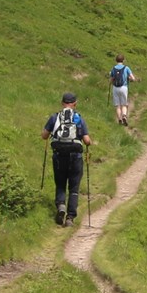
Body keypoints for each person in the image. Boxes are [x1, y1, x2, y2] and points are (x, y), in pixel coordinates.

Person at [41, 92, 94, 227]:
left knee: (60, 183)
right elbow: (87, 140)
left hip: (59, 155)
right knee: (74, 188)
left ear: (62, 103)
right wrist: (89, 142)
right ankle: (70, 217)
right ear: (75, 104)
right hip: (75, 157)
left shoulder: (55, 117)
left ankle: (61, 206)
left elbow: (44, 135)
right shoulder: (78, 118)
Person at [109, 54, 136, 126]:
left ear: (116, 60)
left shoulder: (113, 68)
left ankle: (119, 119)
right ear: (123, 60)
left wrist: (111, 82)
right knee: (124, 104)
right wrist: (129, 79)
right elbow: (133, 78)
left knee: (117, 105)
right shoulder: (126, 68)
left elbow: (111, 79)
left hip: (115, 88)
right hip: (124, 87)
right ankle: (124, 116)